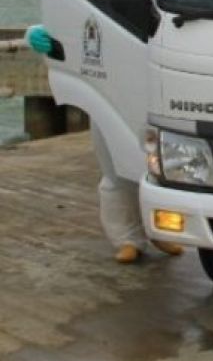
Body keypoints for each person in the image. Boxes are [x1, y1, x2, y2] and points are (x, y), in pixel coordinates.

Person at [25, 24, 184, 263]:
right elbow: (65, 17)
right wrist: (36, 35)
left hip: (150, 93)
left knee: (155, 169)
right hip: (107, 94)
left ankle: (158, 231)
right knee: (114, 171)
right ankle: (127, 239)